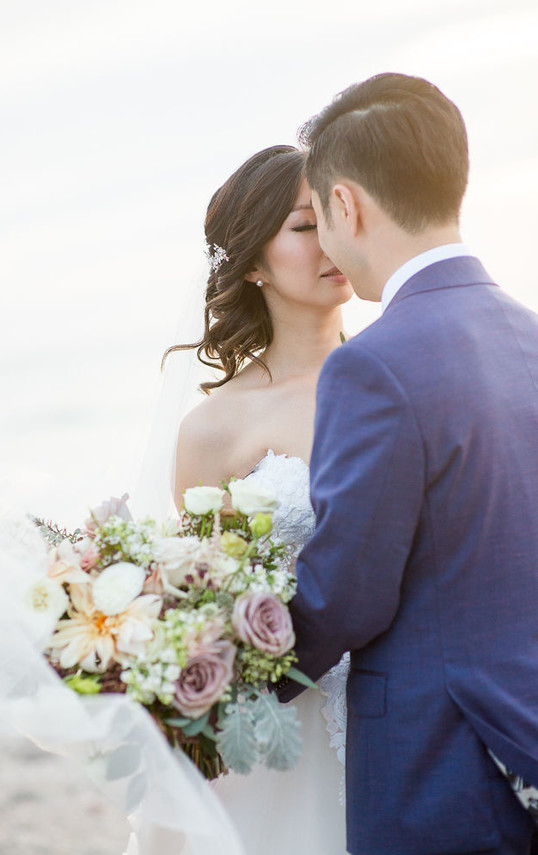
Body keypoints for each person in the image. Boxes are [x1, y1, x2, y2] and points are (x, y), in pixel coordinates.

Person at [278, 73, 538, 855]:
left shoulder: (374, 365)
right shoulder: (528, 336)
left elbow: (346, 592)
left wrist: (225, 678)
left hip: (445, 766)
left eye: (318, 215)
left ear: (345, 204)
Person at [167, 144, 354, 854]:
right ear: (252, 264)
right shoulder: (214, 428)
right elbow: (203, 597)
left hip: (402, 706)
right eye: (305, 227)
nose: (330, 241)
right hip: (281, 729)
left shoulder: (401, 376)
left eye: (336, 216)